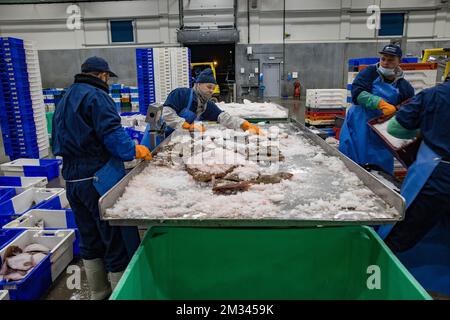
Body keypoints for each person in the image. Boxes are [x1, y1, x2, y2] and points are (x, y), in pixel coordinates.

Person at [52, 56, 152, 300]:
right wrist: (133, 150)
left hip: (72, 180)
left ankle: (98, 292)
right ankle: (120, 293)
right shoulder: (97, 96)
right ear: (103, 76)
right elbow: (111, 132)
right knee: (114, 238)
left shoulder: (65, 97)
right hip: (97, 177)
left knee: (88, 236)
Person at [381, 79, 450, 252]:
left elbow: (396, 128)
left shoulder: (433, 95)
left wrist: (424, 129)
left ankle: (381, 271)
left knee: (401, 232)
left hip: (437, 175)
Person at [339, 44, 415, 175]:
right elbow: (357, 93)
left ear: (399, 61)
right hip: (358, 124)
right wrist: (380, 104)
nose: (385, 63)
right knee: (350, 163)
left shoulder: (404, 86)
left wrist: (396, 109)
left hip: (380, 130)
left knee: (379, 169)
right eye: (383, 59)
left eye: (390, 60)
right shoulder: (369, 73)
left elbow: (409, 105)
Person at [162, 68, 262, 135]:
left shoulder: (206, 105)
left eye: (213, 88)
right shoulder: (180, 94)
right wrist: (186, 125)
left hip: (176, 136)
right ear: (198, 84)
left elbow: (224, 117)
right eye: (209, 87)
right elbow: (167, 114)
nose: (211, 90)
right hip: (159, 134)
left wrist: (243, 124)